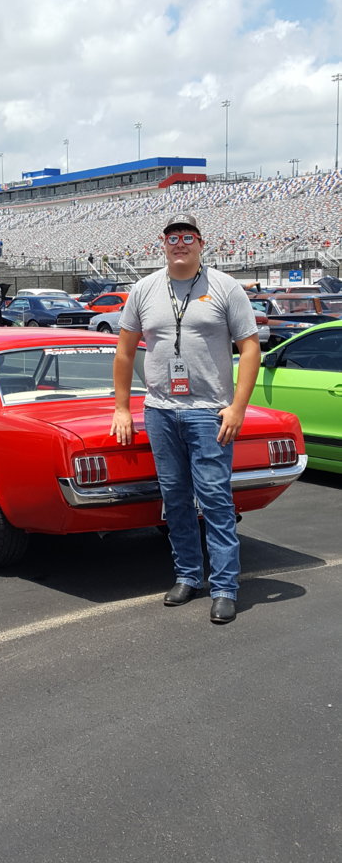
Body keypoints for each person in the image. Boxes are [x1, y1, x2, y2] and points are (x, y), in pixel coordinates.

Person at [110, 213, 261, 624]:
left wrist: (238, 407)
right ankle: (188, 575)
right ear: (163, 244)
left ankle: (225, 587)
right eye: (173, 237)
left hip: (209, 412)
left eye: (188, 237)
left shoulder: (225, 287)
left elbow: (250, 348)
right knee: (175, 498)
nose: (180, 243)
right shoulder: (144, 289)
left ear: (200, 243)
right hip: (160, 411)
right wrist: (122, 407)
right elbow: (124, 351)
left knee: (215, 500)